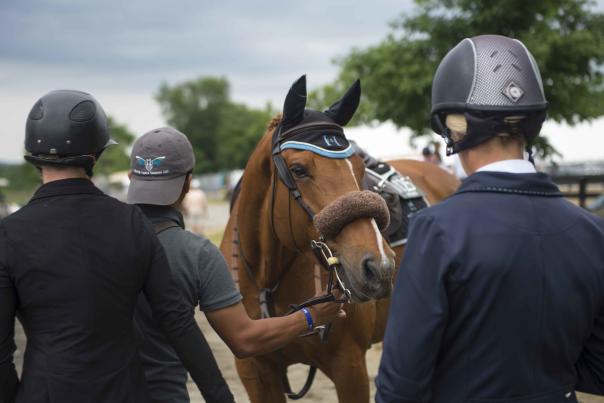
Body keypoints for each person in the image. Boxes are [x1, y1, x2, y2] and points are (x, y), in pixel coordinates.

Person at [376, 34, 604, 403]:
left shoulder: (438, 229)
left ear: (456, 128)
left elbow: (402, 383)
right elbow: (598, 369)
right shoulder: (594, 232)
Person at [0, 90, 234, 403]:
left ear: (33, 155)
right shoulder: (131, 223)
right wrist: (219, 396)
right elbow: (177, 321)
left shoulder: (9, 234)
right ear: (95, 153)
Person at [127, 127, 346, 403]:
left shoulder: (93, 237)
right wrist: (312, 316)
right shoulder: (197, 253)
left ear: (131, 177)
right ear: (187, 183)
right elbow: (245, 340)